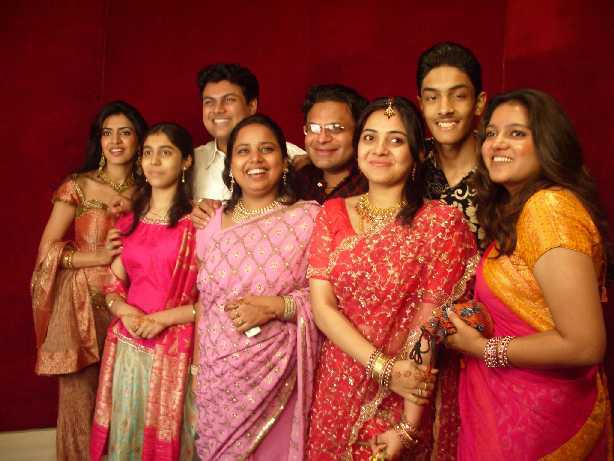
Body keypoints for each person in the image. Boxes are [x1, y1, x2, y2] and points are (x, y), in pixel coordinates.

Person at [306, 97, 478, 460]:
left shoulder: (441, 223)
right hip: (339, 383)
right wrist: (383, 368)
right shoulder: (331, 214)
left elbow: (431, 323)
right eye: (370, 138)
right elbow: (323, 308)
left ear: (418, 154)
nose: (380, 149)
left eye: (396, 140)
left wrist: (408, 426)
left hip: (409, 391)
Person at [445, 89, 613, 459]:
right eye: (491, 133)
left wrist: (483, 349)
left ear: (549, 144)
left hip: (540, 422)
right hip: (515, 409)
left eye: (517, 133)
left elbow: (584, 343)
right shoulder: (521, 211)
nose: (497, 144)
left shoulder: (548, 208)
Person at [193, 114, 320, 460]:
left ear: (285, 161)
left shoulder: (309, 219)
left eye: (267, 149)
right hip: (217, 376)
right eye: (243, 151)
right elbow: (205, 304)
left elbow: (329, 298)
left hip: (279, 373)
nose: (255, 159)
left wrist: (277, 306)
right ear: (231, 164)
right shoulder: (209, 222)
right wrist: (196, 370)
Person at [31, 100, 146, 460]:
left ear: (139, 139)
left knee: (130, 399)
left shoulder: (150, 187)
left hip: (134, 301)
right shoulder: (78, 186)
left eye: (125, 133)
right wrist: (97, 257)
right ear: (99, 139)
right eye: (107, 133)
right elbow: (46, 250)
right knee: (79, 402)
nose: (115, 141)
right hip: (81, 303)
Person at [90, 123, 198, 461]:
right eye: (148, 153)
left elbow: (212, 299)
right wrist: (127, 313)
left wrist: (161, 320)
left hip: (176, 349)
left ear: (186, 161)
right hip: (129, 346)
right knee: (128, 440)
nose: (154, 161)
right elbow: (112, 286)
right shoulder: (128, 222)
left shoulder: (198, 224)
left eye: (165, 153)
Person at [192, 63, 307, 202]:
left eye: (229, 100)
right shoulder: (190, 163)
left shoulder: (292, 156)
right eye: (209, 102)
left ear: (252, 106)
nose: (218, 109)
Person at [417, 42, 487, 247]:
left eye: (459, 96)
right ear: (421, 105)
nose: (445, 109)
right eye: (432, 98)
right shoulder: (410, 161)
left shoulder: (499, 164)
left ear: (479, 103)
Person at [294, 83, 369, 203]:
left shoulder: (373, 184)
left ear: (360, 132)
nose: (322, 139)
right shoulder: (297, 180)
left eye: (335, 128)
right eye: (313, 128)